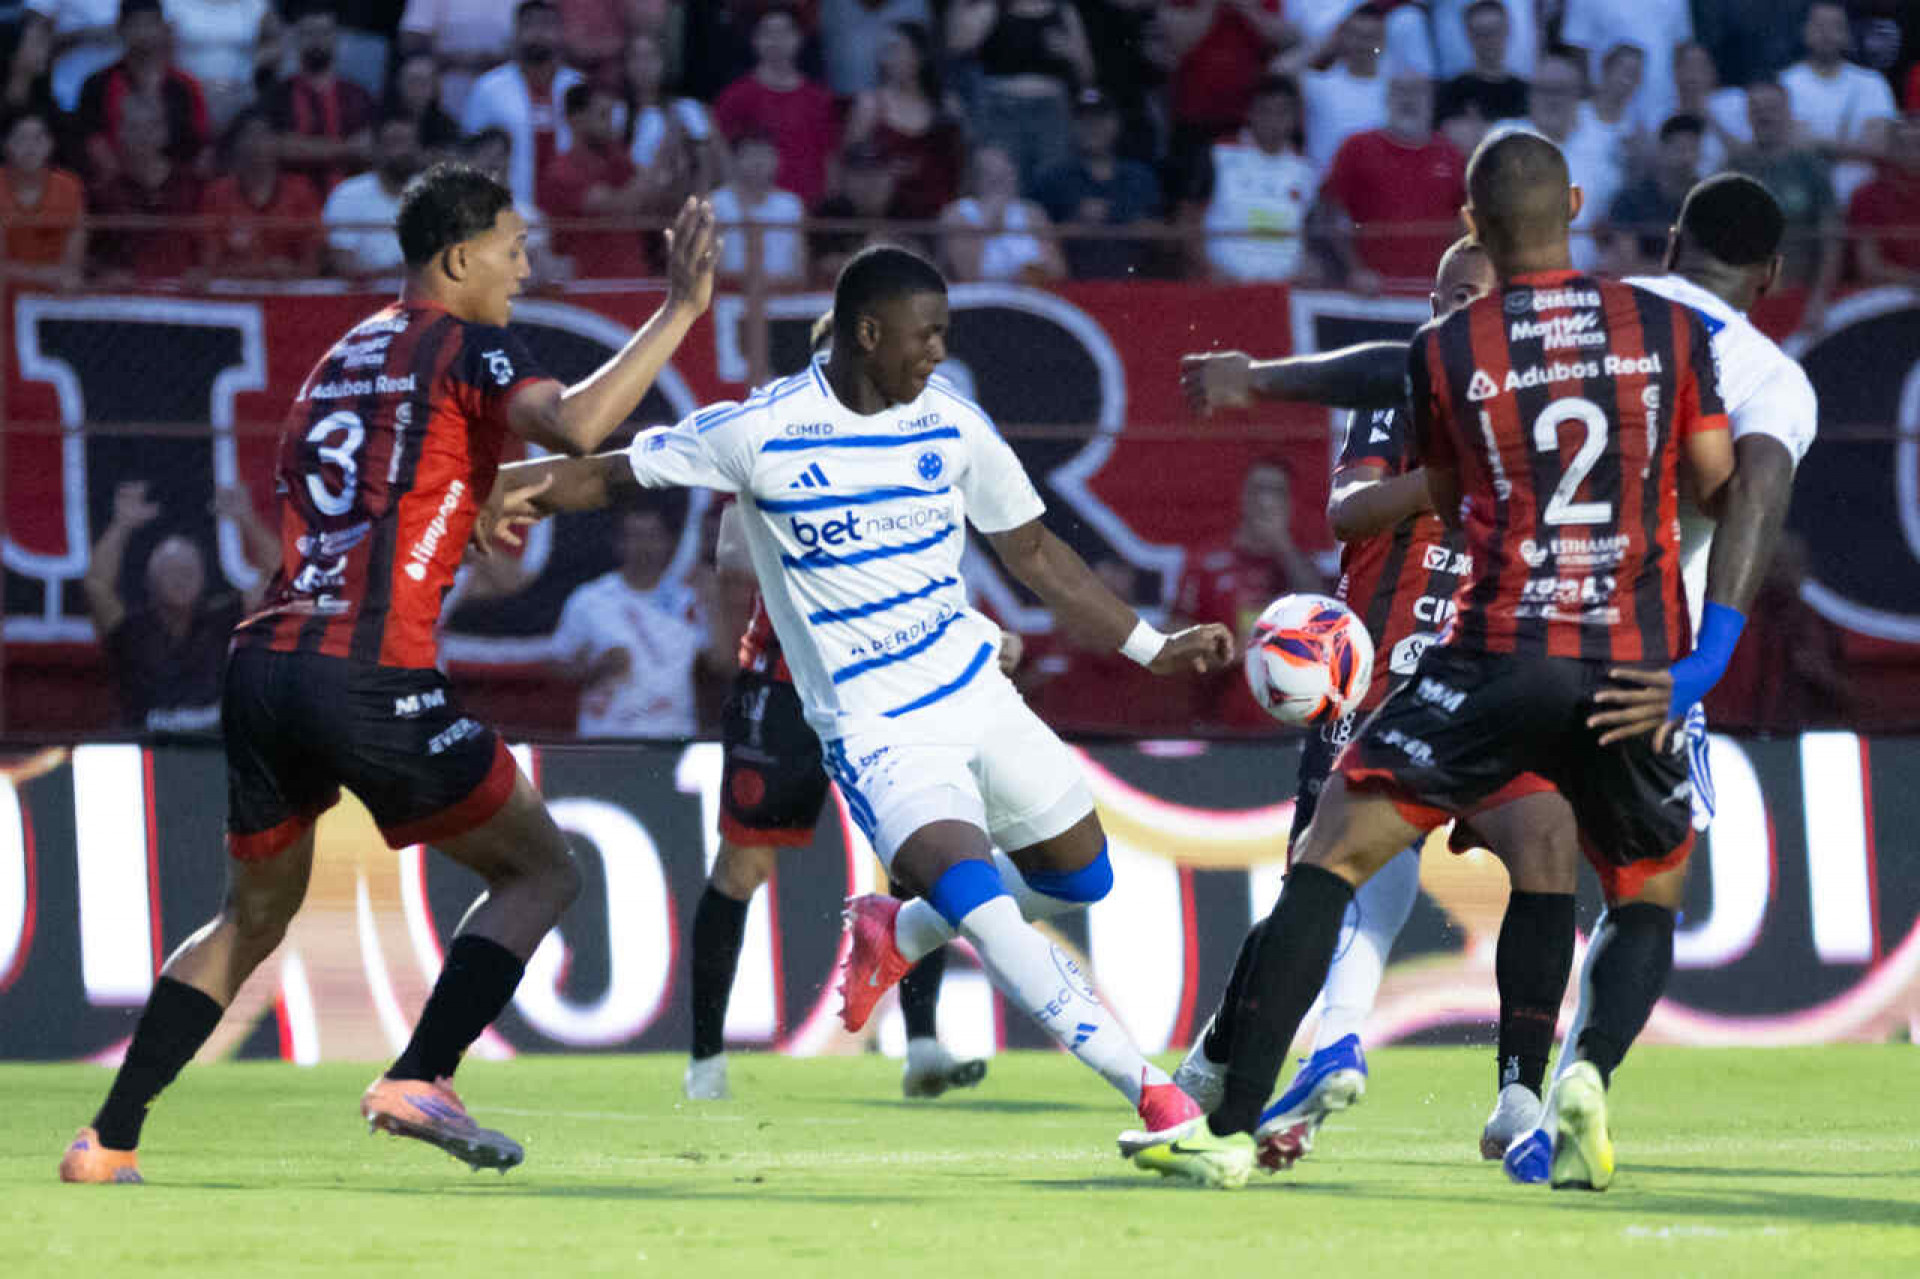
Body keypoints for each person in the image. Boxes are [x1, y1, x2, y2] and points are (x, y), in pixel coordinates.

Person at [482, 243, 1248, 1187]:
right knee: (992, 909)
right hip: (879, 732)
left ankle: (903, 927)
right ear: (868, 333)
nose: (938, 354)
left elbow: (1038, 552)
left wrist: (1149, 644)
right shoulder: (761, 430)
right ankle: (1158, 1101)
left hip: (978, 693)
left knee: (1085, 877)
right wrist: (508, 488)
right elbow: (608, 476)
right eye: (926, 336)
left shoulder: (953, 426)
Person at [54, 174, 721, 1185]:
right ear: (459, 260)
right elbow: (577, 429)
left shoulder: (341, 358)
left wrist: (504, 493)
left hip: (265, 660)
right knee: (542, 868)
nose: (527, 268)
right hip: (366, 672)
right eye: (513, 245)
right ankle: (420, 1074)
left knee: (249, 918)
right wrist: (679, 309)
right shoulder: (464, 342)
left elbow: (421, 485)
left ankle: (107, 1139)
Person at [1173, 171, 1819, 1184]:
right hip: (1648, 657)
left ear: (1665, 243)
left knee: (1338, 847)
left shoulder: (1599, 311)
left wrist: (1261, 375)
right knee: (1639, 892)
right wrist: (1708, 659)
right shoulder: (1749, 370)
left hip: (1507, 641)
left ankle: (1231, 1112)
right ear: (1775, 273)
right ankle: (1572, 1074)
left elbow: (1410, 361)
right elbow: (1745, 490)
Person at [1173, 239, 1584, 1168]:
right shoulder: (1398, 393)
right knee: (1319, 889)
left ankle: (1519, 1091)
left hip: (1492, 673)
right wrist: (1453, 481)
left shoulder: (1549, 412)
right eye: (1439, 291)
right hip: (1378, 676)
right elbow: (1349, 515)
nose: (1448, 308)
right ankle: (1227, 1065)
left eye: (1469, 293)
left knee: (1548, 845)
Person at [686, 494, 991, 1101]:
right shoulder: (771, 459)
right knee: (742, 867)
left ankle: (923, 1045)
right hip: (783, 691)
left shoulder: (893, 466)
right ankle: (705, 1061)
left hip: (882, 691)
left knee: (921, 857)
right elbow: (730, 546)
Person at [84, 480, 279, 734]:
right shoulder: (130, 631)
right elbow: (96, 585)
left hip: (213, 750)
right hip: (146, 747)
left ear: (203, 579)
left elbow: (280, 578)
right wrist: (121, 525)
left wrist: (246, 519)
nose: (181, 578)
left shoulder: (225, 621)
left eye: (189, 570)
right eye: (171, 571)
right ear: (151, 582)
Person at [550, 503, 726, 738]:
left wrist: (713, 601)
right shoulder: (589, 598)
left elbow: (721, 664)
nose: (644, 546)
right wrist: (596, 667)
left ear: (669, 543)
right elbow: (557, 665)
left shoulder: (689, 599)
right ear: (619, 543)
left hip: (671, 738)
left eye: (653, 536)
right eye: (635, 536)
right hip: (604, 737)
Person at [1315, 72, 1466, 294]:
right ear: (1386, 98)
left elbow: (1468, 222)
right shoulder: (1356, 148)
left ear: (1431, 100)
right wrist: (1354, 270)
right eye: (1401, 91)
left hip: (1433, 294)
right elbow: (1327, 213)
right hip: (1372, 294)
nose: (1409, 99)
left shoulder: (1452, 154)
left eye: (1417, 92)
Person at [945, 0, 1093, 191]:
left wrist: (1070, 51)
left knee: (1054, 181)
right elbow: (957, 45)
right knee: (1002, 180)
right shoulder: (994, 7)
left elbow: (1087, 73)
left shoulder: (1062, 9)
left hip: (1052, 114)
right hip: (1003, 110)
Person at [1188, 73, 1319, 282]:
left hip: (1282, 291)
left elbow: (1309, 236)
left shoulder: (1306, 171)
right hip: (1224, 285)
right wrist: (1209, 268)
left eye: (1281, 112)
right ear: (1250, 113)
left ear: (1295, 118)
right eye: (1265, 111)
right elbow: (1189, 219)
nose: (1273, 120)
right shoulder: (1219, 154)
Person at [1732, 81, 1841, 329]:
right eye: (1756, 108)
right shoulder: (1732, 168)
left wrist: (1820, 297)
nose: (1764, 115)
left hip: (1798, 298)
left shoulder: (1811, 168)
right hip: (1745, 303)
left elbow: (1831, 240)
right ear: (1748, 115)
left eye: (1771, 107)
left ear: (1787, 112)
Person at [538, 80, 673, 278]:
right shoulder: (561, 172)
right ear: (576, 119)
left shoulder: (618, 159)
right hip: (587, 288)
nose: (611, 124)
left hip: (634, 281)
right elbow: (620, 205)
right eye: (603, 115)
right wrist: (661, 157)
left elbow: (656, 199)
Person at [460, 0, 586, 209]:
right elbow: (472, 156)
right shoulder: (488, 88)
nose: (538, 33)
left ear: (561, 33)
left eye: (546, 25)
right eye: (530, 25)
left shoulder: (578, 86)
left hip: (570, 212)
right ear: (515, 33)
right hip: (507, 211)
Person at [711, 6, 838, 208]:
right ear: (755, 40)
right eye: (768, 33)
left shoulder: (818, 99)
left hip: (810, 207)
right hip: (754, 210)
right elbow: (719, 150)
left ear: (799, 39)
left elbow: (830, 157)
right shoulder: (736, 96)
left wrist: (827, 201)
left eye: (785, 33)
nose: (776, 41)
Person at [73, 0, 211, 185]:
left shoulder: (187, 86)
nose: (144, 33)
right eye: (136, 24)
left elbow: (201, 146)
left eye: (150, 24)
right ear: (120, 29)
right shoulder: (96, 85)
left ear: (163, 28)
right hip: (115, 191)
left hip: (176, 191)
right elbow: (91, 142)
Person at [1034, 88, 1162, 280]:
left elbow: (1165, 232)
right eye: (1084, 121)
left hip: (1135, 283)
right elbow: (1034, 237)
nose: (1092, 127)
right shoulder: (1053, 178)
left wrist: (1116, 217)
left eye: (1100, 119)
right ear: (1072, 125)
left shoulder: (1140, 176)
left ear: (1116, 124)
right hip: (1073, 286)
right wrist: (1078, 223)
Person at [842, 20, 965, 222]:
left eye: (897, 49)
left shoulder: (946, 106)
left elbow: (959, 166)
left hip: (939, 215)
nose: (891, 58)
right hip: (884, 217)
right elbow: (850, 164)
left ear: (920, 54)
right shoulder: (870, 105)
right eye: (886, 51)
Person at [1779, 0, 1898, 203]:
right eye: (1819, 25)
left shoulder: (1872, 83)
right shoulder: (1785, 82)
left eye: (1835, 26)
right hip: (1804, 203)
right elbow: (1789, 144)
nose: (1826, 33)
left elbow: (1878, 146)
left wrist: (1816, 144)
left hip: (1861, 203)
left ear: (1847, 35)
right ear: (1805, 31)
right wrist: (1852, 147)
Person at [264, 3, 380, 196]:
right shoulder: (277, 95)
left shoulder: (358, 95)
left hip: (350, 199)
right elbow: (276, 147)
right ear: (296, 38)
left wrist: (307, 148)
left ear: (336, 37)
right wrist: (347, 149)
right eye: (309, 33)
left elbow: (370, 147)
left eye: (324, 32)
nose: (317, 40)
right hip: (292, 203)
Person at [87, 92, 202, 282]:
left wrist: (202, 271)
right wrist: (103, 274)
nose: (142, 136)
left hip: (185, 301)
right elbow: (88, 258)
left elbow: (208, 249)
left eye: (151, 126)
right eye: (133, 127)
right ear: (121, 133)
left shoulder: (193, 185)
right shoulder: (102, 193)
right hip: (127, 303)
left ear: (164, 131)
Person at [198, 108, 324, 280]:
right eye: (248, 136)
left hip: (290, 293)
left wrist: (290, 271)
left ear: (277, 143)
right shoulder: (216, 194)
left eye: (264, 136)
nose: (256, 144)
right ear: (236, 145)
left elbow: (313, 265)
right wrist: (265, 270)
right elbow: (209, 266)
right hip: (234, 298)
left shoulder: (301, 191)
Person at [937, 142, 1064, 283]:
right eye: (989, 174)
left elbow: (1058, 271)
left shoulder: (1033, 213)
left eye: (1004, 174)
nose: (998, 182)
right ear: (974, 178)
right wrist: (989, 223)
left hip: (1032, 297)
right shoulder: (958, 213)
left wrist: (1032, 274)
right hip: (981, 300)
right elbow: (968, 275)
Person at [1599, 113, 1704, 275]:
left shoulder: (1708, 200)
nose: (1687, 158)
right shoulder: (1630, 199)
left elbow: (1711, 263)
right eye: (1680, 149)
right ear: (1662, 150)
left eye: (1693, 150)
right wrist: (1682, 272)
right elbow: (1627, 264)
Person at [322, 115, 423, 280]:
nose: (405, 151)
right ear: (377, 149)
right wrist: (391, 275)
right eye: (396, 142)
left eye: (410, 143)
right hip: (364, 298)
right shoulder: (347, 195)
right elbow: (342, 262)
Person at [0, 107, 86, 288]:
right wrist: (47, 275)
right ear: (5, 144)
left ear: (51, 143)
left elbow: (73, 266)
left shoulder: (69, 187)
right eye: (20, 139)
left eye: (38, 139)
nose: (30, 148)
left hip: (51, 300)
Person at [1300, 3, 1388, 176]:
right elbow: (1278, 72)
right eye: (1356, 36)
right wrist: (1327, 45)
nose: (1363, 44)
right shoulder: (1317, 84)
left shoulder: (1394, 91)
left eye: (1371, 37)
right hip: (1323, 192)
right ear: (1343, 37)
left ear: (1382, 41)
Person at [712, 132, 808, 286]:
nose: (758, 162)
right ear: (735, 160)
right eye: (751, 155)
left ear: (777, 161)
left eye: (765, 155)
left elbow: (800, 263)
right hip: (728, 293)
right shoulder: (716, 202)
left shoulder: (791, 204)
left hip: (782, 292)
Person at [1435, 1, 1529, 150]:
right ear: (1468, 35)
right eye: (1481, 33)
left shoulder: (1526, 93)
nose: (1488, 41)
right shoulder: (1450, 93)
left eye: (1494, 31)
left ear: (1507, 30)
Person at [1847, 110, 1920, 287]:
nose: (1912, 152)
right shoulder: (1866, 196)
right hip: (1887, 294)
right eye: (1903, 144)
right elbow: (1869, 267)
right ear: (1891, 148)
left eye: (1918, 144)